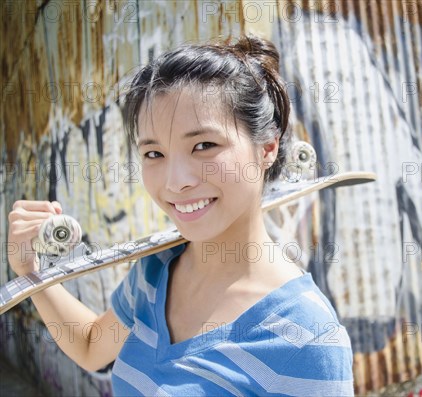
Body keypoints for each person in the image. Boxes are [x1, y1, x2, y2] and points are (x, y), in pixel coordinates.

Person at [8, 35, 354, 396]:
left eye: (204, 146)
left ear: (267, 148)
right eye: (154, 153)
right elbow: (93, 346)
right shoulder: (155, 273)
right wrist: (30, 273)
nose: (176, 183)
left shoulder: (308, 338)